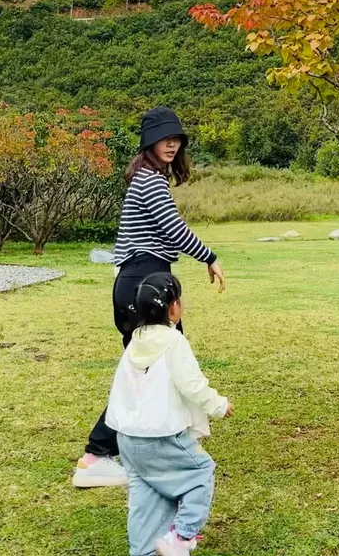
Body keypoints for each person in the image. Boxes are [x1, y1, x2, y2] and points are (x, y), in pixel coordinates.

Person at [73, 106, 225, 489]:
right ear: (149, 143)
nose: (171, 145)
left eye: (176, 139)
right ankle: (96, 455)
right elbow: (173, 228)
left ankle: (173, 440)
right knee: (153, 368)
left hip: (143, 279)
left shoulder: (148, 179)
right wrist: (210, 257)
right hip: (144, 279)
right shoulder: (150, 181)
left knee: (155, 367)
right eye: (164, 139)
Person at [105, 271, 233, 556]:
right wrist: (218, 405)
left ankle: (143, 553)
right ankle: (180, 536)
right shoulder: (173, 341)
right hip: (160, 436)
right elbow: (191, 384)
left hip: (128, 437)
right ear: (173, 307)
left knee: (145, 494)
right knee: (200, 473)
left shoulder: (135, 340)